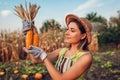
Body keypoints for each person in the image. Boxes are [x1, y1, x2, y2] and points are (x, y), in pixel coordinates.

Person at [23, 14, 93, 80]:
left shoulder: (86, 57)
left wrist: (44, 57)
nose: (66, 33)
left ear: (83, 36)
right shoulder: (62, 51)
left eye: (72, 30)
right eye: (67, 29)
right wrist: (30, 35)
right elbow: (36, 60)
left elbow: (61, 79)